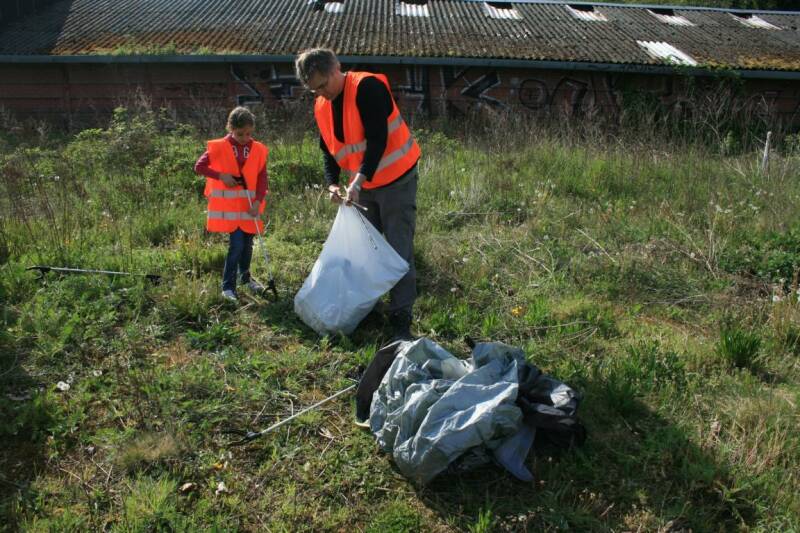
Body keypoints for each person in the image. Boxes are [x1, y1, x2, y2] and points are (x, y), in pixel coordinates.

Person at [295, 48, 421, 341]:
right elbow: (328, 150)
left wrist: (358, 181)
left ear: (336, 68)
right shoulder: (322, 105)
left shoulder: (367, 87)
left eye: (323, 85)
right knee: (365, 250)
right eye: (314, 90)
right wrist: (332, 184)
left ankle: (401, 316)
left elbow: (378, 139)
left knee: (398, 249)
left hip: (396, 180)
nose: (321, 93)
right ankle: (368, 308)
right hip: (362, 185)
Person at [194, 106, 269, 302]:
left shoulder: (258, 149)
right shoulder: (220, 147)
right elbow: (199, 166)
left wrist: (258, 201)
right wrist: (221, 176)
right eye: (240, 134)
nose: (245, 138)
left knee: (248, 245)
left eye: (249, 133)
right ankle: (227, 287)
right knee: (236, 246)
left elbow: (262, 178)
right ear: (231, 128)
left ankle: (245, 278)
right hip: (230, 209)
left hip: (250, 207)